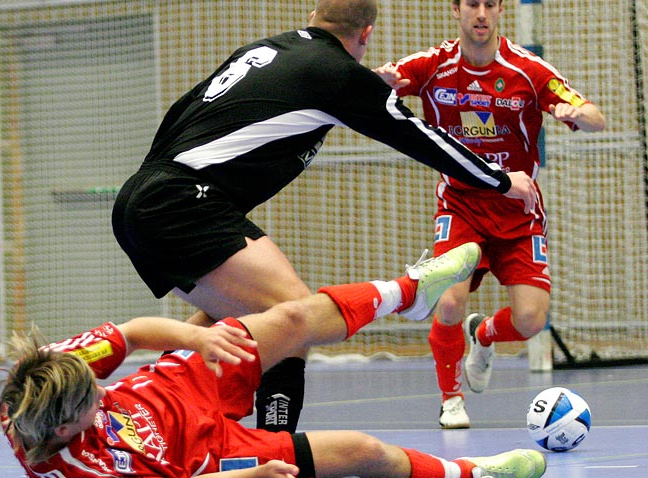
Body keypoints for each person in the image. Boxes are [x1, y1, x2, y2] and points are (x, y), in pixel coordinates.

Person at [110, 0, 538, 453]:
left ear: (314, 16)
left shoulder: (266, 50)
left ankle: (144, 425)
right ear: (367, 34)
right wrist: (498, 180)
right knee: (296, 317)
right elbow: (419, 136)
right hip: (184, 203)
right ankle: (275, 450)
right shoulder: (336, 73)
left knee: (228, 324)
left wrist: (153, 193)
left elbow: (183, 111)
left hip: (148, 194)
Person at [0, 243, 547, 478]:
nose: (100, 393)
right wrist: (260, 475)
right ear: (65, 430)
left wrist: (197, 339)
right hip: (209, 457)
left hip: (175, 385)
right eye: (92, 403)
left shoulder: (49, 370)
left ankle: (409, 293)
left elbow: (136, 333)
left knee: (290, 318)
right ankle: (473, 474)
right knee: (360, 449)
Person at [374, 0, 605, 428]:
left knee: (531, 319)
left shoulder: (526, 70)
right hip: (462, 206)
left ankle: (483, 335)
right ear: (456, 10)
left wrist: (577, 114)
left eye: (489, 4)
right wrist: (379, 81)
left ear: (500, 11)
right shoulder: (431, 65)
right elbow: (369, 89)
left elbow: (595, 117)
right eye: (471, 4)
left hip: (518, 211)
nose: (480, 14)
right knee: (448, 303)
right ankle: (451, 400)